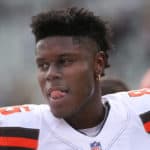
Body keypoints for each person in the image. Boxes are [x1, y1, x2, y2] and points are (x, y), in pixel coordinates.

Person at [0, 7, 150, 150]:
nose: (50, 74)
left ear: (98, 63)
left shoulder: (140, 113)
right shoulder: (22, 129)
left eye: (65, 61)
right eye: (43, 65)